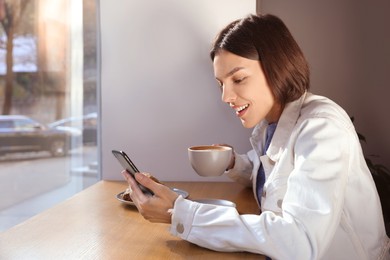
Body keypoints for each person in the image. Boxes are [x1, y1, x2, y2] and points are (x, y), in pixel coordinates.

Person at [122, 14, 390, 259]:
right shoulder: (269, 124)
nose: (225, 97)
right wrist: (232, 163)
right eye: (221, 84)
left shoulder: (322, 129)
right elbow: (277, 171)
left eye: (238, 79)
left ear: (278, 67)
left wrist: (181, 213)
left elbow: (300, 241)